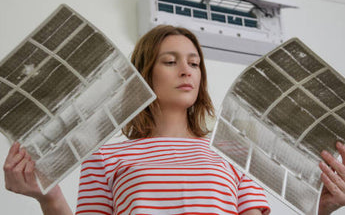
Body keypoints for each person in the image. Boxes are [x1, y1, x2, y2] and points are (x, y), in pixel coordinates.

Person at [3, 25, 345, 215]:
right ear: (145, 74)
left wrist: (320, 211)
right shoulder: (104, 157)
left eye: (194, 63)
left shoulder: (234, 149)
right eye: (170, 61)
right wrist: (47, 197)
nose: (186, 70)